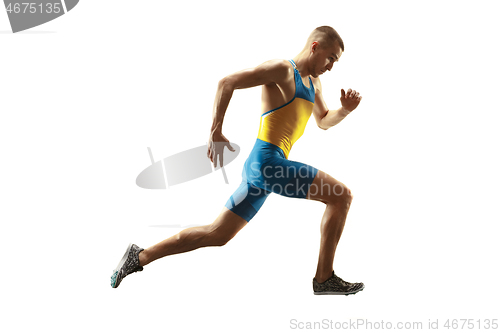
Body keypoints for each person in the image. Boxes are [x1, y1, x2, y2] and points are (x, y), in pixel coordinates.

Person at [111, 26, 364, 295]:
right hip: (268, 163)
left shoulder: (315, 84)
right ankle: (324, 278)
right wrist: (215, 130)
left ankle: (139, 257)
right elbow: (227, 82)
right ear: (315, 47)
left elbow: (323, 121)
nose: (331, 67)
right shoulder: (282, 70)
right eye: (331, 58)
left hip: (263, 168)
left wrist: (344, 111)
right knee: (341, 196)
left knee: (217, 234)